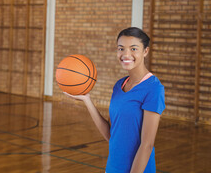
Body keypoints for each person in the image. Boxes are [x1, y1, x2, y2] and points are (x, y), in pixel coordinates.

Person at [64, 27, 165, 173]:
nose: (126, 54)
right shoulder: (119, 85)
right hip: (113, 167)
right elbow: (111, 135)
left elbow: (147, 145)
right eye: (121, 48)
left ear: (145, 51)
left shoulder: (154, 88)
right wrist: (87, 100)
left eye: (133, 49)